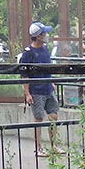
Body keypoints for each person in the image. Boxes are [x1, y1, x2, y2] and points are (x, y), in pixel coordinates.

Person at [19, 21, 62, 157]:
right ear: (38, 35)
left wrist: (51, 82)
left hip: (48, 88)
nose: (46, 35)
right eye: (44, 32)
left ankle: (54, 145)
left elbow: (47, 68)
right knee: (38, 118)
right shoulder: (28, 53)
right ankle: (38, 148)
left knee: (53, 115)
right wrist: (27, 93)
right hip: (36, 90)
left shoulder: (44, 49)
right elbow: (24, 75)